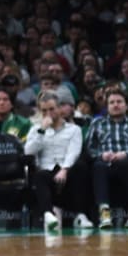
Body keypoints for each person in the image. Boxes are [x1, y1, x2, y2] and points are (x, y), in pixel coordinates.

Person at [24, 91, 87, 230]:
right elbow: (28, 151)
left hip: (68, 171)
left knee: (81, 167)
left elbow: (74, 152)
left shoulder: (74, 129)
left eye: (52, 109)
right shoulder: (36, 130)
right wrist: (42, 130)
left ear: (59, 108)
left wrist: (64, 169)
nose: (48, 113)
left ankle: (81, 216)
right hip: (47, 171)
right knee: (39, 175)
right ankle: (48, 215)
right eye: (44, 110)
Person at [86, 88, 128, 228]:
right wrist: (101, 155)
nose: (115, 105)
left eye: (119, 102)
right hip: (105, 162)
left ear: (126, 105)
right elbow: (88, 148)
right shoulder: (97, 123)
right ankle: (104, 213)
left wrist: (126, 154)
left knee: (126, 163)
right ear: (107, 106)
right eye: (112, 102)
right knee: (98, 166)